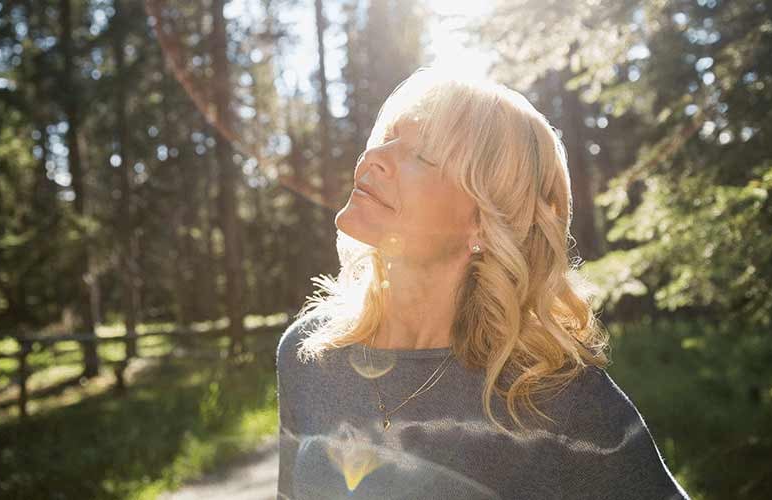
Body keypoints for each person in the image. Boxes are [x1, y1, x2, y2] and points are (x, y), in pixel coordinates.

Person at [275, 66, 691, 500]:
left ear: (481, 223)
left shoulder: (556, 400)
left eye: (421, 155)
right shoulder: (307, 352)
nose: (374, 157)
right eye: (387, 138)